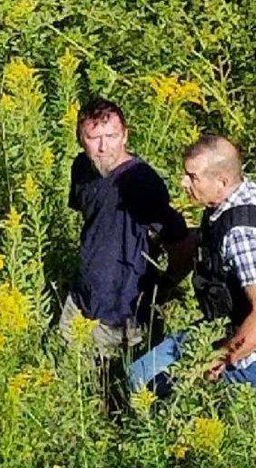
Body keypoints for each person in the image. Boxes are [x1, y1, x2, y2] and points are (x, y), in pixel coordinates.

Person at [129, 135, 256, 397]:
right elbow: (209, 246)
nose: (183, 183)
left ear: (222, 181)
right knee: (141, 378)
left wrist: (218, 359)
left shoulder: (244, 233)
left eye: (193, 177)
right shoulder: (233, 200)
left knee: (155, 393)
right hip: (229, 329)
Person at [60, 97, 191, 359]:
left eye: (112, 136)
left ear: (125, 136)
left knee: (116, 387)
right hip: (82, 298)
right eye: (93, 137)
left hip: (121, 310)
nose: (103, 147)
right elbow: (94, 221)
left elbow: (180, 241)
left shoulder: (141, 182)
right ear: (80, 139)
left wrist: (167, 283)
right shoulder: (82, 169)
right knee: (68, 376)